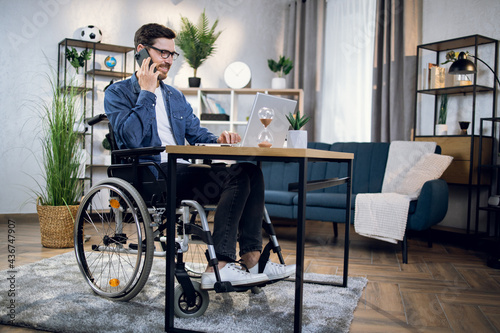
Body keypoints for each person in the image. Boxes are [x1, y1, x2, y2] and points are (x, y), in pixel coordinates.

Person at [104, 23, 295, 290]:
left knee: (250, 171)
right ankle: (220, 266)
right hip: (151, 176)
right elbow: (130, 138)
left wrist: (219, 139)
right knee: (240, 175)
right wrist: (146, 92)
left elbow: (197, 134)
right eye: (162, 53)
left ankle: (252, 259)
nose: (169, 60)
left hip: (181, 172)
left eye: (172, 54)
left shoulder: (175, 96)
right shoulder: (117, 93)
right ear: (141, 52)